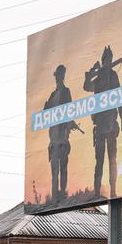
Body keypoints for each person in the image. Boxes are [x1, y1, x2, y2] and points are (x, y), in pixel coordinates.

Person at [84, 46, 122, 197]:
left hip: (111, 124)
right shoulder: (99, 77)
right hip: (100, 126)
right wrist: (91, 72)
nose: (108, 61)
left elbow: (119, 96)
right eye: (106, 59)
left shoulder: (113, 76)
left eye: (110, 58)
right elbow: (86, 86)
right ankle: (97, 192)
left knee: (112, 160)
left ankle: (113, 190)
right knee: (99, 161)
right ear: (103, 61)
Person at [44, 64, 82, 202]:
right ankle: (55, 199)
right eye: (59, 74)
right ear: (56, 76)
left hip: (63, 139)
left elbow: (69, 111)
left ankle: (63, 198)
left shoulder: (66, 92)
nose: (60, 77)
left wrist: (70, 124)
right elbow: (45, 116)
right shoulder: (52, 95)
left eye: (62, 74)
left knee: (63, 169)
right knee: (55, 171)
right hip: (54, 140)